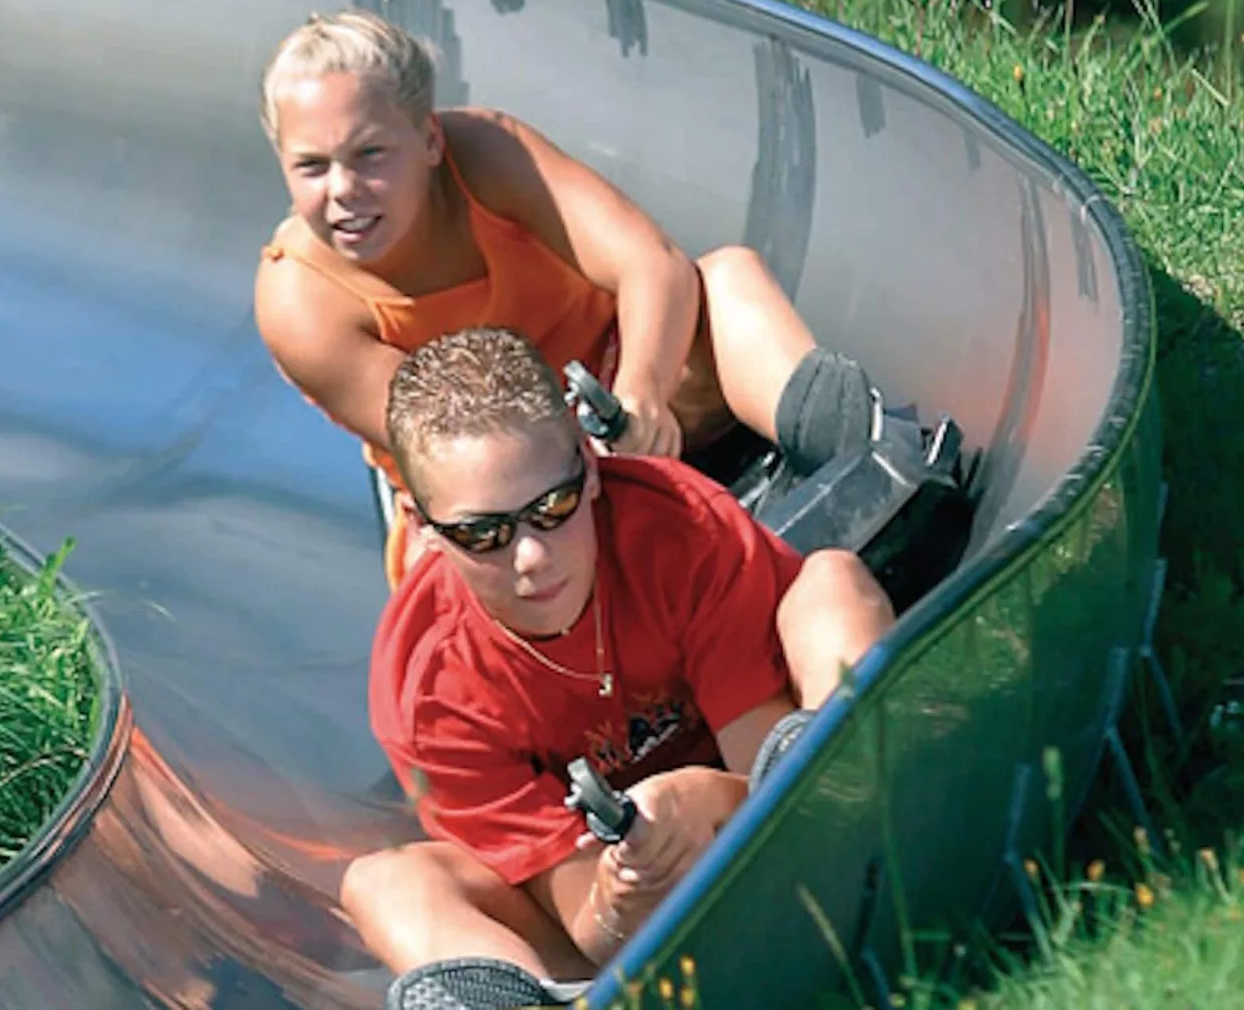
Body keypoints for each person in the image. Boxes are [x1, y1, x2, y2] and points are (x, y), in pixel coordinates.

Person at [342, 326, 895, 1008]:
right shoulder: (430, 692)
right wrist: (626, 884)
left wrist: (706, 801)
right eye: (483, 534)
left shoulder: (677, 527)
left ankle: (885, 814)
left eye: (553, 508)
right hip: (624, 922)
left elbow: (782, 789)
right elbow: (591, 924)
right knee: (381, 883)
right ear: (422, 528)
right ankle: (518, 1001)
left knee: (831, 585)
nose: (531, 558)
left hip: (783, 803)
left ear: (591, 466)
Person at [253, 9, 880, 587]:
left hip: (620, 403)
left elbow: (652, 263)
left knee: (727, 278)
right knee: (450, 547)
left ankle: (856, 464)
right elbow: (452, 447)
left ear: (430, 142)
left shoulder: (486, 155)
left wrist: (639, 389)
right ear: (281, 166)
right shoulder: (300, 301)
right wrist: (583, 455)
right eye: (312, 166)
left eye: (370, 155)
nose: (344, 191)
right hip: (509, 497)